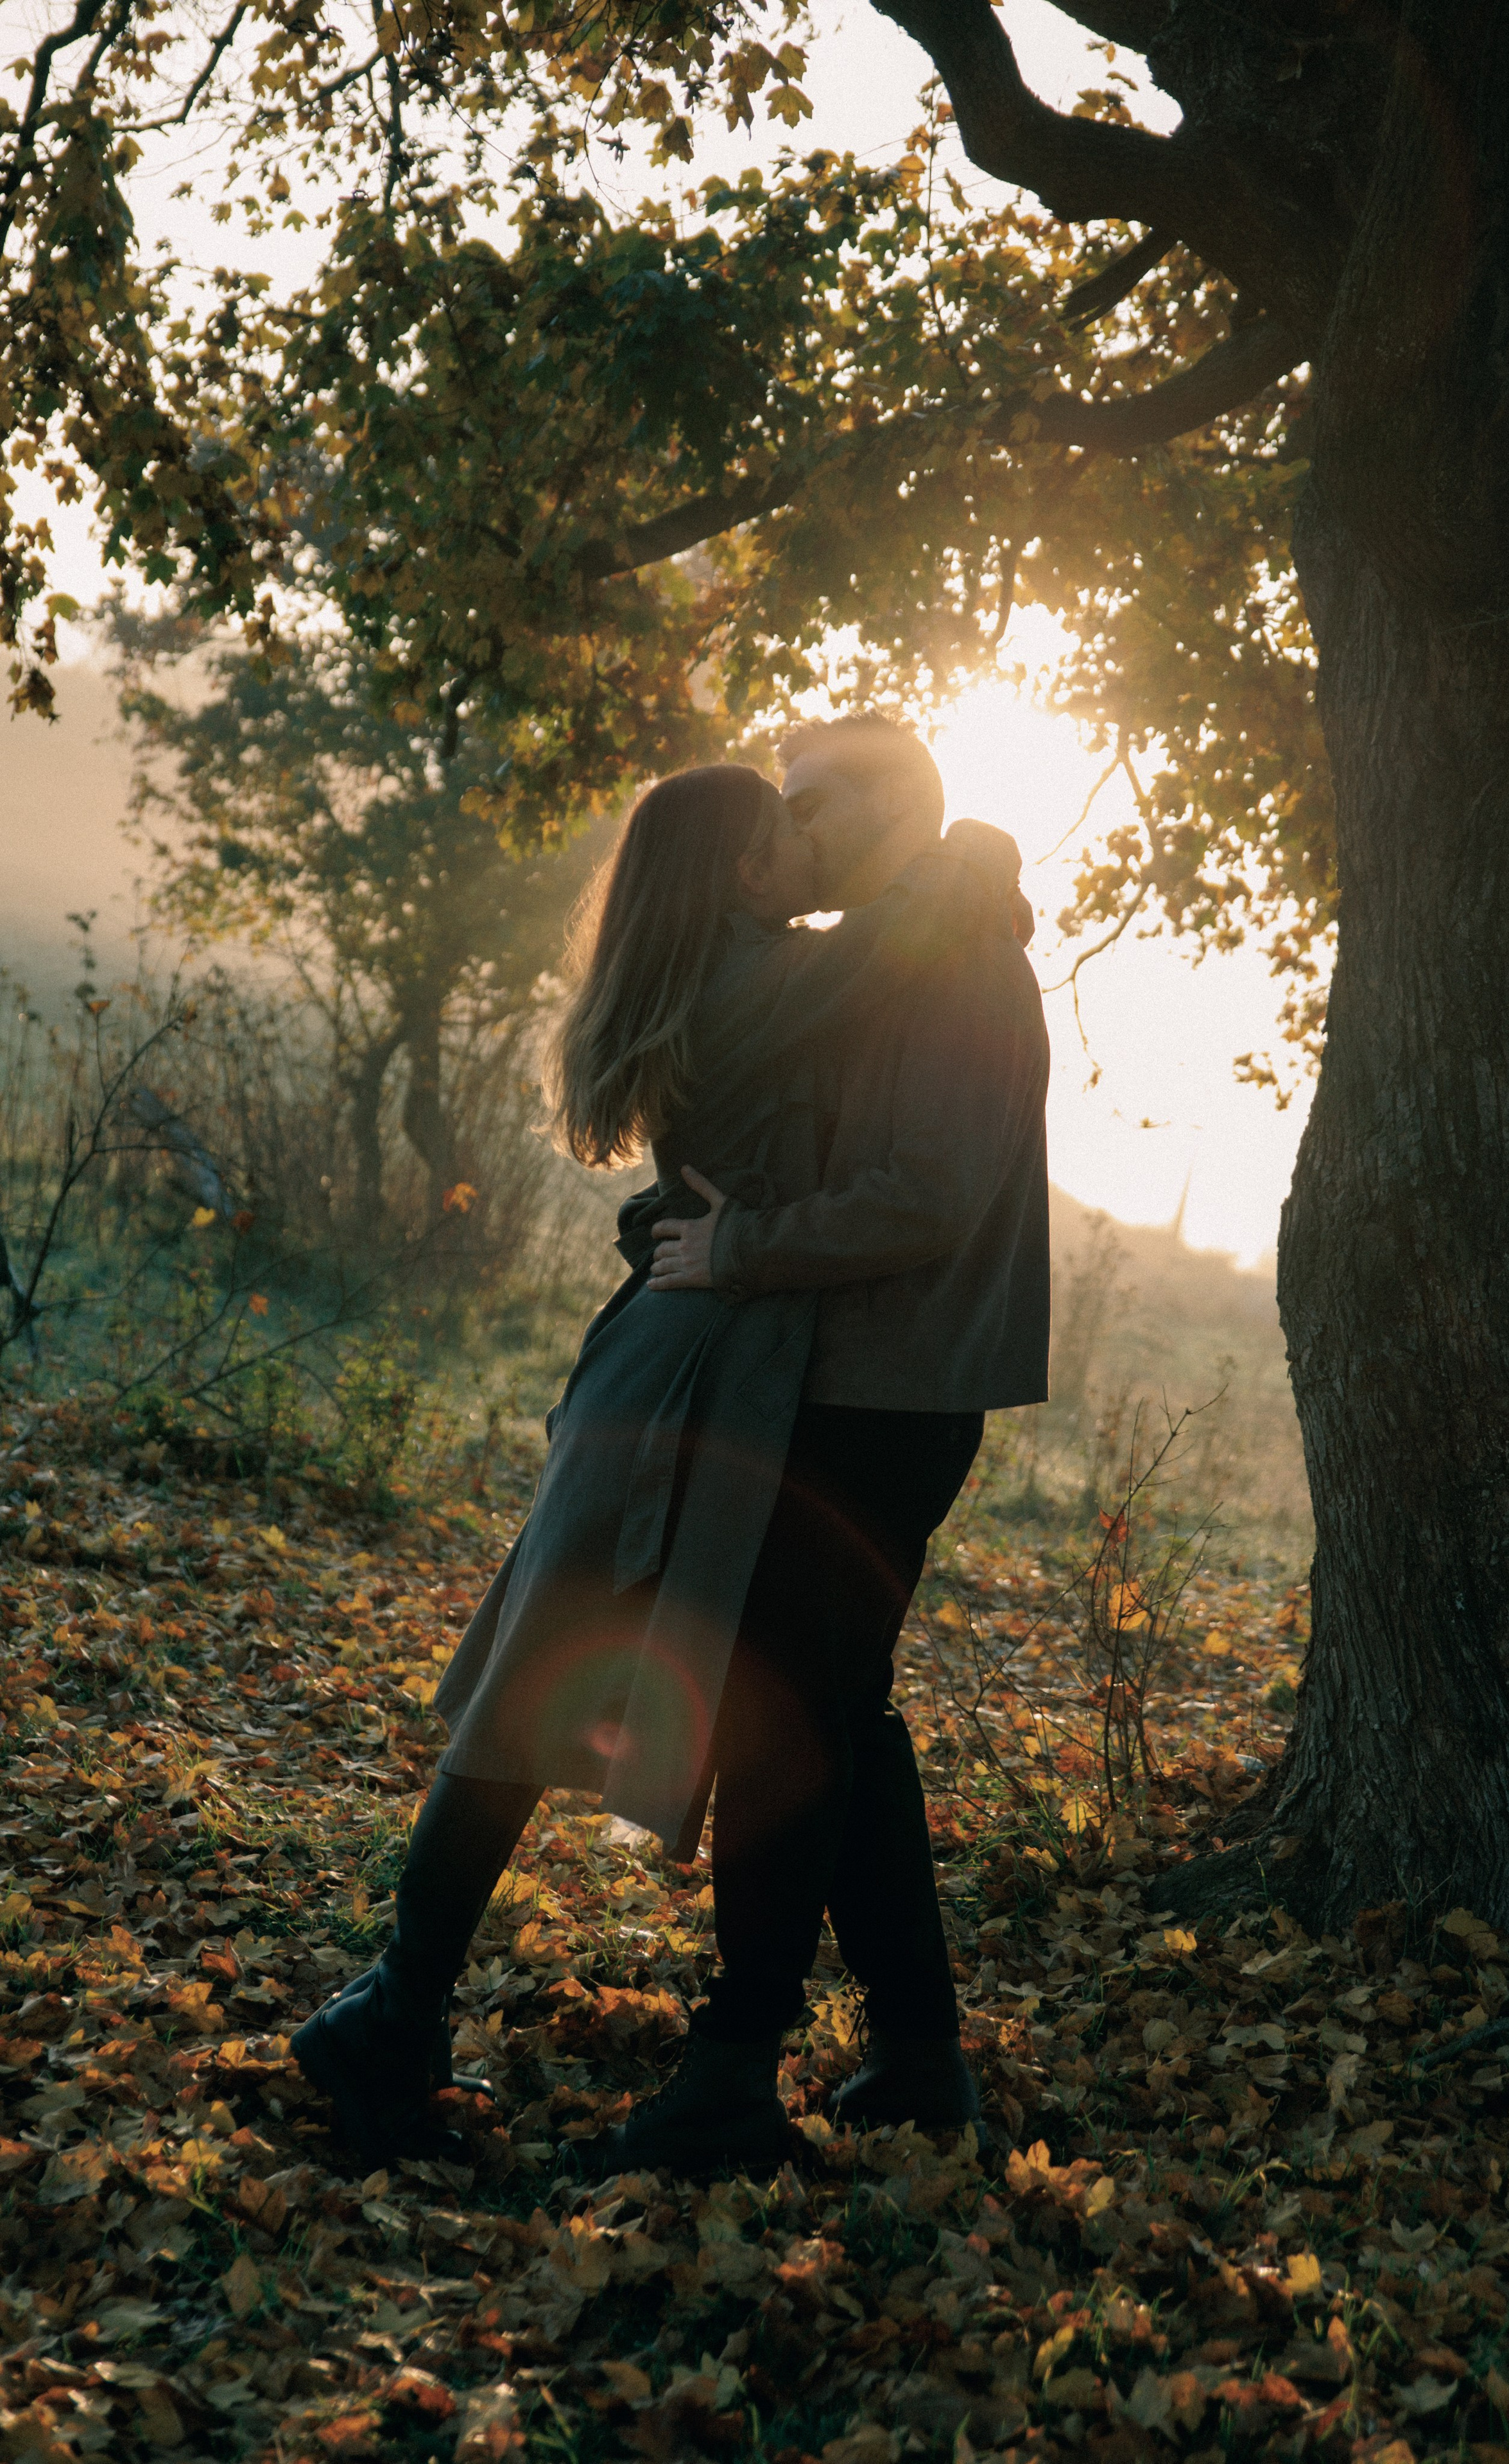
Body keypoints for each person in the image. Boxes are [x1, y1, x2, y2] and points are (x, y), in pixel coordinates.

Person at [291, 758, 1026, 2168]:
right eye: (778, 830)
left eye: (813, 816)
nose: (802, 846)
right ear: (736, 876)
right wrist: (965, 849)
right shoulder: (762, 981)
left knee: (633, 1686)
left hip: (694, 1369)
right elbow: (884, 945)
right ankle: (394, 2013)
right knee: (530, 1688)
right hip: (684, 1376)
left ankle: (405, 2014)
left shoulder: (727, 964)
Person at [617, 715, 1050, 2169]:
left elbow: (922, 1196)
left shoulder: (958, 964)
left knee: (782, 1724)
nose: (783, 832)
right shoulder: (881, 956)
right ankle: (921, 2059)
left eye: (807, 804)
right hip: (834, 1383)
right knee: (840, 1722)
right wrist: (685, 1215)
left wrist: (739, 1248)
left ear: (888, 810)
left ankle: (736, 2068)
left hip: (888, 1398)